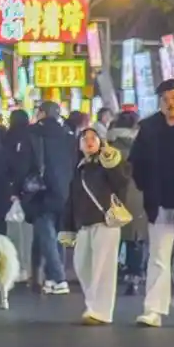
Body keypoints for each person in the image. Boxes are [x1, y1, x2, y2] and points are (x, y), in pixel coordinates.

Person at [130, 79, 174, 327]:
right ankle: (153, 310)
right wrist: (145, 186)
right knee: (158, 257)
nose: (170, 104)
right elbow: (135, 161)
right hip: (159, 201)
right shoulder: (149, 128)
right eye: (165, 100)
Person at [62, 127, 130, 325]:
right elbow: (72, 199)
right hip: (84, 224)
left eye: (94, 138)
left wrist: (112, 163)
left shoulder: (108, 162)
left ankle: (100, 311)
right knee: (82, 265)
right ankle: (93, 305)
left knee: (103, 268)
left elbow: (122, 183)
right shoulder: (79, 167)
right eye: (85, 139)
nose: (89, 142)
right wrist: (67, 227)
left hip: (105, 222)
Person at [22, 101, 77, 295]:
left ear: (42, 113)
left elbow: (26, 163)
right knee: (55, 235)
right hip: (64, 190)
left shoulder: (33, 133)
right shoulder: (69, 135)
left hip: (41, 190)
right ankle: (51, 278)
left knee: (47, 235)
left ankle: (59, 278)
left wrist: (20, 188)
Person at [106, 112, 148, 295]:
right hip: (138, 195)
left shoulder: (108, 146)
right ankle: (135, 276)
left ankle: (109, 275)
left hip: (111, 196)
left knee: (111, 238)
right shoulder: (144, 145)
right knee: (135, 239)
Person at [2, 109, 35, 279]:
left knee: (14, 231)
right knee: (27, 231)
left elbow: (9, 163)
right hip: (30, 189)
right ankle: (27, 267)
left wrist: (13, 190)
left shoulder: (9, 137)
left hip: (12, 188)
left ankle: (17, 267)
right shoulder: (32, 135)